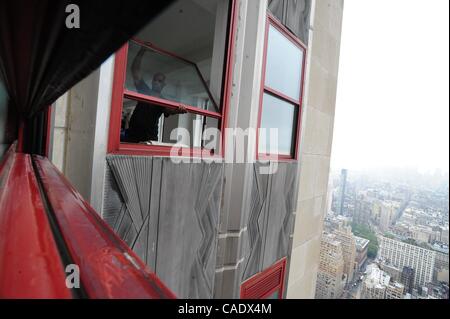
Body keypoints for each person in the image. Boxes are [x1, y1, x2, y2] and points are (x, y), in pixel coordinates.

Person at [123, 45, 186, 143]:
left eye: (160, 81)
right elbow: (135, 70)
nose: (156, 82)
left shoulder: (163, 101)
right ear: (152, 81)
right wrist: (142, 50)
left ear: (163, 85)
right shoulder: (144, 90)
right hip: (132, 136)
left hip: (149, 139)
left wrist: (179, 110)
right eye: (155, 80)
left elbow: (169, 110)